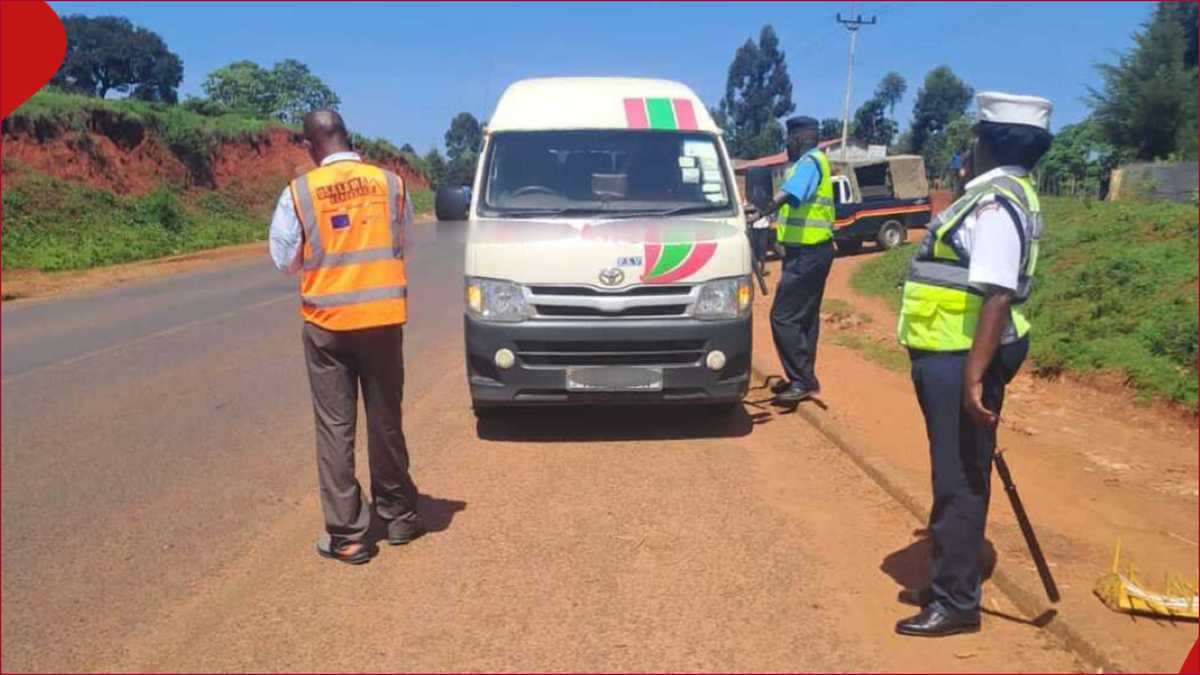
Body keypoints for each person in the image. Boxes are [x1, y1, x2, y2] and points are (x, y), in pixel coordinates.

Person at [893, 92, 1053, 636]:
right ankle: (949, 578)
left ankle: (957, 603)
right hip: (953, 350)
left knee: (958, 479)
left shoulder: (995, 203)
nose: (970, 148)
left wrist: (975, 376)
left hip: (964, 356)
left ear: (989, 143)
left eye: (975, 138)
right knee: (959, 471)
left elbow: (997, 294)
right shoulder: (992, 194)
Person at [268, 109, 421, 565]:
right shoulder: (391, 184)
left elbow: (285, 261)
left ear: (312, 146)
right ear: (348, 138)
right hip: (381, 319)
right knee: (385, 417)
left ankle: (349, 535)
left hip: (327, 325)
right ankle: (398, 516)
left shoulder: (299, 193)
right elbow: (405, 246)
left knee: (336, 427)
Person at [743, 116, 835, 404]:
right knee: (805, 319)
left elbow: (791, 193)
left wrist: (764, 209)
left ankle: (802, 380)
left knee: (782, 317)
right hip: (810, 251)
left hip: (809, 254)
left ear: (798, 140)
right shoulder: (816, 161)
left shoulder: (809, 162)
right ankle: (803, 379)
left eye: (788, 142)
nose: (787, 148)